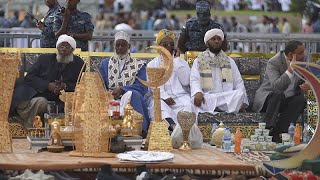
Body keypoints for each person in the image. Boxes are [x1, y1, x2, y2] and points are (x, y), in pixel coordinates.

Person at [10, 35, 84, 128]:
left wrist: (64, 86)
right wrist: (47, 85)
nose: (64, 49)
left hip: (65, 99)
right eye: (61, 46)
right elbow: (30, 77)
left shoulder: (79, 63)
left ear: (72, 49)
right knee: (41, 103)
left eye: (67, 47)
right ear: (57, 48)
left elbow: (82, 83)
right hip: (40, 94)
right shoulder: (45, 59)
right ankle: (31, 127)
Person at [253, 40, 309, 143]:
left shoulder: (303, 60)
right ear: (291, 55)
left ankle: (279, 131)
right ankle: (267, 130)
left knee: (300, 100)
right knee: (278, 94)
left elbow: (308, 79)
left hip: (286, 99)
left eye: (303, 51)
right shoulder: (274, 62)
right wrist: (290, 70)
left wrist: (307, 86)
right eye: (300, 52)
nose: (303, 55)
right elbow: (276, 86)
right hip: (269, 98)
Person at [99, 31, 150, 132]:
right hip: (110, 97)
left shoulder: (138, 65)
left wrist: (123, 90)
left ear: (129, 46)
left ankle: (139, 129)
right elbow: (100, 84)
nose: (120, 48)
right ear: (114, 46)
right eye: (117, 45)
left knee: (134, 94)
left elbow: (143, 87)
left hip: (129, 97)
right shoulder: (105, 64)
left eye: (123, 45)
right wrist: (108, 94)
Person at [190, 28, 248, 115]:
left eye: (219, 39)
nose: (216, 41)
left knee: (239, 94)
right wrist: (198, 92)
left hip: (226, 98)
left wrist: (242, 102)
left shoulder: (229, 61)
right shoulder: (199, 60)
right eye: (213, 39)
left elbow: (238, 82)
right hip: (207, 98)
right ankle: (226, 108)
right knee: (193, 101)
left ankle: (228, 107)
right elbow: (194, 79)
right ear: (207, 43)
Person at [147, 29, 191, 130]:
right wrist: (165, 97)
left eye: (171, 44)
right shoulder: (152, 64)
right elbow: (153, 86)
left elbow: (186, 81)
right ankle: (172, 127)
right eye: (165, 44)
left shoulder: (181, 62)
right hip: (161, 98)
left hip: (180, 97)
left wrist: (177, 60)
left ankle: (185, 130)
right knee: (158, 105)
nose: (168, 47)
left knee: (189, 105)